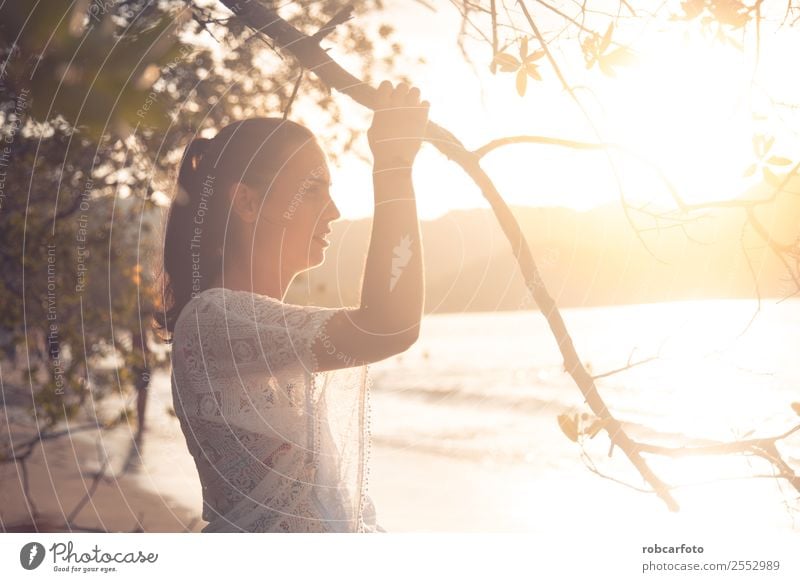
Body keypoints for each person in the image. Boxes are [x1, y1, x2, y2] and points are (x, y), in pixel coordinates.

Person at [154, 80, 429, 532]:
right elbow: (388, 325)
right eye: (314, 188)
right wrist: (394, 168)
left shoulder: (259, 330)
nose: (335, 210)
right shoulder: (212, 320)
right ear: (246, 201)